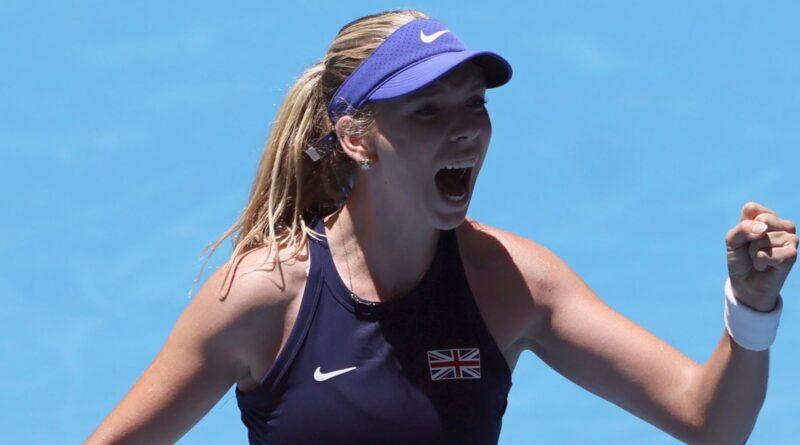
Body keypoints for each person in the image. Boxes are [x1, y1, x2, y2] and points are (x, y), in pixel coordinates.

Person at [87, 9, 797, 445]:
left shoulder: (513, 282)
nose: (465, 130)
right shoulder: (262, 297)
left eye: (474, 104)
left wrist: (754, 307)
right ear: (356, 137)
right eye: (428, 111)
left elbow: (711, 423)